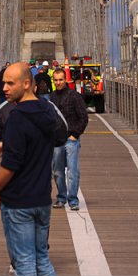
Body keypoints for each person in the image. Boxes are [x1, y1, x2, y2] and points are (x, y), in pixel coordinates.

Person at [0, 62, 72, 276]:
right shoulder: (47, 112)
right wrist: (9, 143)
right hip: (41, 199)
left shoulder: (16, 118)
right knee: (43, 262)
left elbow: (10, 165)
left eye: (9, 83)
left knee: (24, 265)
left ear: (27, 84)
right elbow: (53, 139)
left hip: (20, 202)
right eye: (3, 83)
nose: (4, 88)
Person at [50, 67, 89, 211]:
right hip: (56, 141)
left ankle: (73, 199)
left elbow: (83, 117)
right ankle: (61, 198)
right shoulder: (51, 97)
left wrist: (75, 134)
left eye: (61, 79)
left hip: (71, 139)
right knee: (57, 171)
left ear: (65, 80)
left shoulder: (74, 96)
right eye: (56, 80)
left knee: (72, 170)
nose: (58, 82)